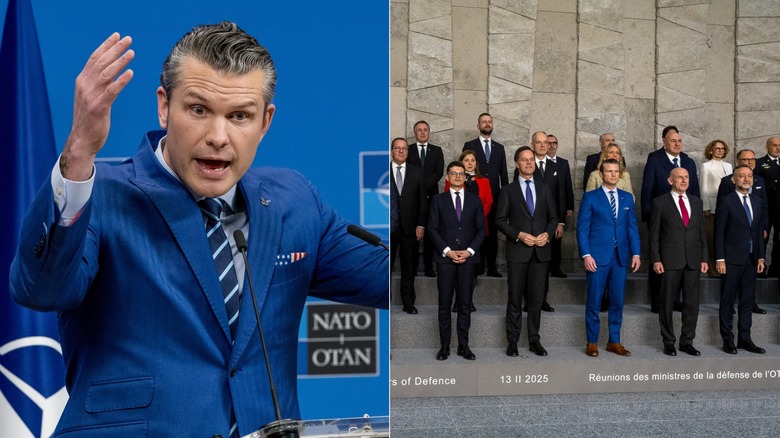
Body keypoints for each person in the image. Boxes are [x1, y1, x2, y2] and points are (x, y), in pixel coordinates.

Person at [9, 23, 388, 437]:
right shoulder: (100, 193)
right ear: (164, 107)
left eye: (240, 116)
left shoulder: (292, 201)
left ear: (265, 122)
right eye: (199, 110)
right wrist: (79, 152)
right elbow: (40, 290)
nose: (218, 137)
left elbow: (394, 279)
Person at [496, 146, 558, 357]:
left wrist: (547, 235)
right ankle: (512, 341)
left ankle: (534, 340)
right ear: (517, 164)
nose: (529, 163)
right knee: (514, 299)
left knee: (536, 300)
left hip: (541, 252)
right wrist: (519, 235)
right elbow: (500, 221)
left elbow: (553, 218)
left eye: (531, 159)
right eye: (524, 160)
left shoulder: (544, 188)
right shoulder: (508, 190)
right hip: (518, 252)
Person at [577, 159, 641, 357]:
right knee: (594, 301)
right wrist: (586, 254)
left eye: (616, 171)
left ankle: (614, 341)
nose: (613, 174)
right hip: (597, 257)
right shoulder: (590, 197)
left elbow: (632, 228)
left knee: (617, 301)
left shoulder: (627, 198)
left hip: (620, 257)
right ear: (601, 174)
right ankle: (592, 342)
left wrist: (636, 252)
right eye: (609, 171)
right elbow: (582, 228)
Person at [427, 161, 486, 361]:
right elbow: (432, 229)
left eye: (461, 173)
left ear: (466, 177)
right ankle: (444, 346)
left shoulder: (475, 200)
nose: (458, 176)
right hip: (445, 260)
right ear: (447, 177)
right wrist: (447, 251)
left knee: (464, 304)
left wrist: (468, 251)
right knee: (444, 304)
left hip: (468, 261)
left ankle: (463, 346)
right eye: (454, 173)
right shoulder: (437, 200)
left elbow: (481, 230)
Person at [640, 125, 700, 313]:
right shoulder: (655, 161)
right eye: (673, 141)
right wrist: (650, 219)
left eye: (679, 141)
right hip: (662, 220)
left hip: (685, 221)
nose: (677, 144)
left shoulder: (689, 162)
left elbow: (695, 191)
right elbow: (647, 191)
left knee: (682, 260)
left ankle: (676, 300)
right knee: (660, 259)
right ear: (664, 143)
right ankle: (658, 301)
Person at [649, 168, 708, 357]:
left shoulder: (697, 202)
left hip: (693, 260)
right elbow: (654, 236)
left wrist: (704, 258)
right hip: (669, 261)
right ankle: (668, 341)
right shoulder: (659, 203)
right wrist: (656, 259)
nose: (684, 180)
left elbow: (701, 233)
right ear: (670, 180)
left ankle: (687, 341)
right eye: (679, 177)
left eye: (686, 177)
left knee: (692, 304)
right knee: (666, 303)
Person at [714, 165, 766, 355]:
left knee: (746, 301)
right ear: (733, 180)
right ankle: (728, 340)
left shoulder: (757, 201)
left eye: (749, 176)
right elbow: (719, 233)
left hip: (751, 260)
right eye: (741, 176)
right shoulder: (726, 201)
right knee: (727, 301)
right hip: (731, 260)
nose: (746, 179)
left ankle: (745, 338)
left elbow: (758, 232)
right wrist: (720, 259)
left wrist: (760, 256)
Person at [715, 149, 769, 313]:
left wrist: (764, 227)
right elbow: (721, 219)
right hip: (734, 246)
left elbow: (764, 207)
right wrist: (720, 257)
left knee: (748, 290)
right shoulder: (726, 183)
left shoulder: (759, 180)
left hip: (753, 244)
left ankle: (751, 304)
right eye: (746, 159)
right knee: (729, 291)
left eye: (752, 159)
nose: (750, 162)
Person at [446, 150, 494, 312]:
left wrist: (476, 218)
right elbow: (448, 202)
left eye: (473, 160)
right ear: (461, 162)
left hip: (478, 230)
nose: (470, 163)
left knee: (472, 269)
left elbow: (488, 202)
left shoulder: (485, 181)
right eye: (466, 160)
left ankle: (467, 300)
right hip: (456, 230)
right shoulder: (454, 180)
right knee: (456, 266)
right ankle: (458, 301)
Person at [463, 113, 508, 277]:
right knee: (476, 231)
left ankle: (492, 267)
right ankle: (479, 265)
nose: (487, 124)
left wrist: (505, 199)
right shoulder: (470, 144)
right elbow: (464, 170)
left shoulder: (499, 148)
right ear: (478, 125)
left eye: (490, 122)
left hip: (494, 199)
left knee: (492, 234)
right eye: (484, 122)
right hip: (475, 198)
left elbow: (503, 174)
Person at [390, 138, 427, 314]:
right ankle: (383, 301)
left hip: (410, 227)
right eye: (397, 148)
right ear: (391, 151)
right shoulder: (381, 171)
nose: (401, 151)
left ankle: (408, 303)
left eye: (404, 148)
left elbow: (422, 201)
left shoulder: (417, 172)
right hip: (387, 227)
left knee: (409, 267)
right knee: (384, 267)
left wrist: (421, 224)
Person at [407, 120, 444, 278]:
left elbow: (439, 172)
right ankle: (413, 267)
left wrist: (422, 186)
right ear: (414, 133)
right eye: (419, 130)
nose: (422, 133)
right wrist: (417, 188)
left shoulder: (436, 150)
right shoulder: (408, 150)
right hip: (411, 199)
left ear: (429, 132)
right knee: (412, 235)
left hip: (431, 197)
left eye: (425, 130)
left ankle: (429, 267)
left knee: (430, 234)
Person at [700, 140, 732, 277]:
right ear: (711, 150)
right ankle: (713, 270)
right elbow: (703, 187)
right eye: (717, 148)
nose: (720, 150)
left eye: (722, 148)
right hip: (712, 206)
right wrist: (705, 206)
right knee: (712, 237)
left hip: (728, 205)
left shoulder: (729, 166)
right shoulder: (705, 166)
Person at [546, 134, 574, 278]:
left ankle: (556, 268)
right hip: (543, 208)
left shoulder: (563, 163)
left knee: (557, 239)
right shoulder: (537, 163)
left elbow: (567, 186)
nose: (551, 145)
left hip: (559, 207)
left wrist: (570, 206)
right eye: (548, 143)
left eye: (554, 143)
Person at [752, 136, 780, 277]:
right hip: (765, 207)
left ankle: (775, 268)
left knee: (778, 240)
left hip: (779, 209)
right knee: (762, 238)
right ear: (767, 147)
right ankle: (760, 269)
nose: (777, 148)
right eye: (774, 145)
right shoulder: (759, 163)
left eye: (779, 145)